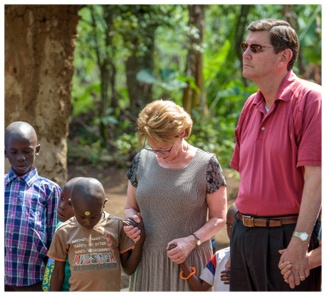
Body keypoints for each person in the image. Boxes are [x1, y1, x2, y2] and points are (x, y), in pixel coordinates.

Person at [229, 18, 321, 291]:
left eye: (256, 48)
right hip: (245, 236)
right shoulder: (250, 104)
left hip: (286, 239)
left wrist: (300, 240)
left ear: (284, 56)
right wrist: (237, 231)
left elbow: (317, 180)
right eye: (245, 46)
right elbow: (245, 176)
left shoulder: (311, 100)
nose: (245, 54)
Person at [123, 99, 227, 291]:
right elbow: (130, 207)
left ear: (182, 133)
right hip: (147, 262)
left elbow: (219, 218)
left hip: (189, 264)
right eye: (153, 148)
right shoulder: (141, 160)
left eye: (165, 148)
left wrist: (190, 242)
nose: (159, 154)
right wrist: (131, 224)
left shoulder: (207, 164)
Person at [47, 177, 145, 291]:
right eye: (82, 217)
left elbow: (128, 269)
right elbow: (58, 274)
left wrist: (140, 241)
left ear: (104, 204)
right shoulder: (64, 231)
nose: (88, 222)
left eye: (94, 216)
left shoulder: (117, 226)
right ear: (72, 205)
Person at [4, 121, 61, 291]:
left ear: (37, 150)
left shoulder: (49, 190)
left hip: (34, 277)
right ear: (5, 152)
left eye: (27, 151)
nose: (20, 157)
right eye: (14, 152)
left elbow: (53, 237)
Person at [178, 203, 237, 291]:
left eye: (236, 226)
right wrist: (181, 260)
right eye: (229, 225)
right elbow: (200, 288)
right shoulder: (219, 257)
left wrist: (240, 277)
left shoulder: (257, 258)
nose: (232, 230)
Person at [42, 177, 80, 291]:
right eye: (61, 198)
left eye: (70, 203)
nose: (62, 206)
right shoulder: (59, 226)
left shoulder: (80, 234)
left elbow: (59, 274)